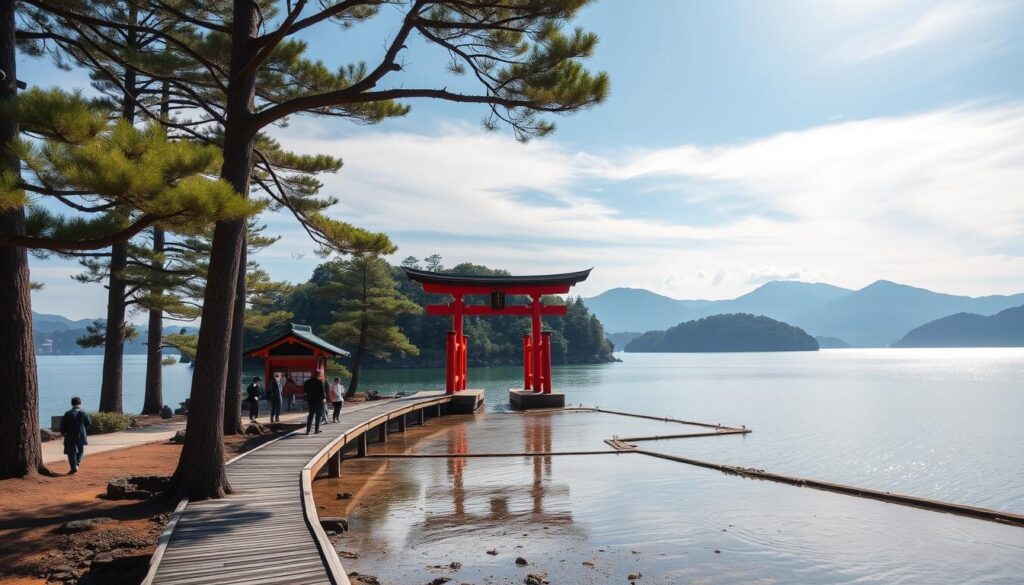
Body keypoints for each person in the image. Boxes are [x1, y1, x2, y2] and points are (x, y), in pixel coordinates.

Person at [60, 397, 91, 475]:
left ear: (71, 404)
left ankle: (73, 468)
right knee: (80, 450)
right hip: (81, 435)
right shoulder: (83, 412)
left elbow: (63, 425)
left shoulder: (68, 413)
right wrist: (83, 430)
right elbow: (88, 423)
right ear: (80, 404)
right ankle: (77, 463)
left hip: (70, 435)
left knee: (71, 452)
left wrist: (63, 433)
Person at [303, 370, 327, 434]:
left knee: (310, 415)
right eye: (321, 375)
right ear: (319, 375)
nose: (321, 376)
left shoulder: (307, 382)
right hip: (319, 401)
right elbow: (322, 392)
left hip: (310, 401)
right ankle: (316, 430)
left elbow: (305, 390)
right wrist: (324, 398)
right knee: (318, 416)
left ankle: (308, 430)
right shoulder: (320, 382)